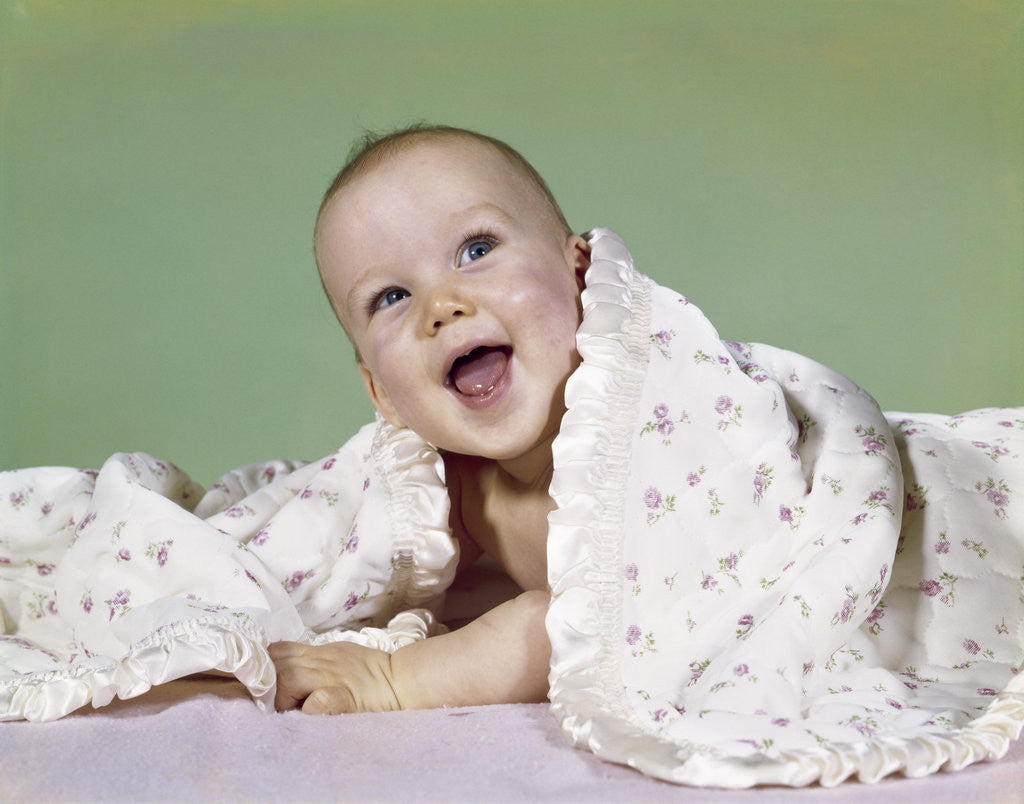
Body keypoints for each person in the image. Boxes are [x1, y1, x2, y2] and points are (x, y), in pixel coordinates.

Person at [270, 125, 590, 714]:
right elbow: (331, 554)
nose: (441, 306)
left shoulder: (656, 429)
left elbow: (586, 624)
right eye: (391, 296)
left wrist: (395, 676)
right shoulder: (450, 491)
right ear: (382, 392)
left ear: (582, 274)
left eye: (476, 250)